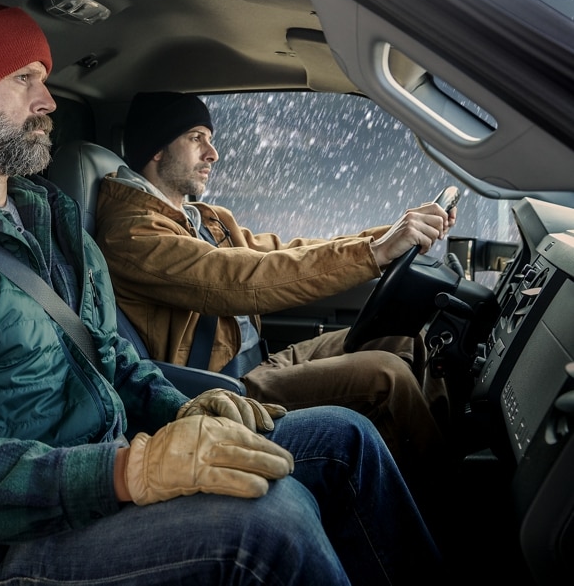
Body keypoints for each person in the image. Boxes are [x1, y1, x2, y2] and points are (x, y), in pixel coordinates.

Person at [0, 0, 443, 585]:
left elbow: (109, 358)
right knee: (270, 523)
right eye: (23, 78)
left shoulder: (48, 218)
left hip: (102, 473)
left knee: (342, 439)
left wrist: (181, 412)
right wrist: (127, 471)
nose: (48, 99)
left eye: (46, 79)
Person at [95, 91, 455, 479]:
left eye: (210, 139)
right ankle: (444, 500)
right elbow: (245, 277)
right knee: (387, 374)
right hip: (222, 390)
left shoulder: (201, 217)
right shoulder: (133, 233)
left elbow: (285, 251)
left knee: (401, 339)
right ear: (156, 149)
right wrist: (375, 254)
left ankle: (441, 454)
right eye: (196, 138)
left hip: (260, 363)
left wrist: (391, 235)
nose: (212, 153)